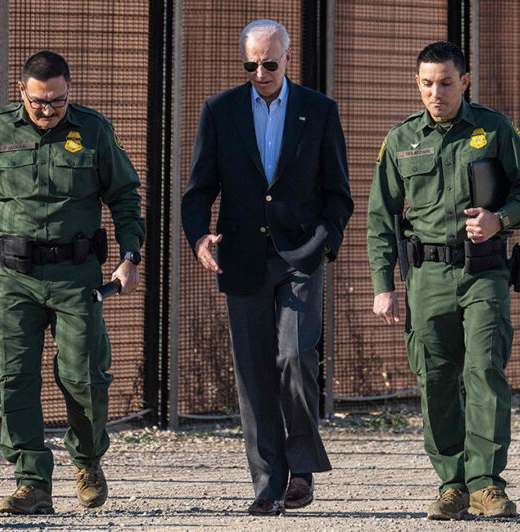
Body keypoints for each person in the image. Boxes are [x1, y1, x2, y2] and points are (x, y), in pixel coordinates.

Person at [0, 50, 145, 515]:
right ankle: (32, 481)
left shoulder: (93, 130)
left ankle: (88, 461)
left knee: (84, 375)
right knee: (15, 377)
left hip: (76, 277)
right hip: (14, 278)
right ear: (23, 93)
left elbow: (125, 197)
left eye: (57, 101)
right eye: (39, 102)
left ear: (68, 91)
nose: (48, 110)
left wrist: (130, 256)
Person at [366, 41, 520, 520]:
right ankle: (452, 485)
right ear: (418, 84)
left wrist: (501, 219)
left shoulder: (493, 129)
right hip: (426, 276)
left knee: (485, 368)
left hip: (484, 269)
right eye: (427, 83)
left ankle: (487, 484)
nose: (436, 92)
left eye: (446, 83)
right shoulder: (401, 140)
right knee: (437, 379)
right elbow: (380, 218)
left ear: (464, 81)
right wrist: (383, 285)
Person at [181, 19, 353, 515]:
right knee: (254, 372)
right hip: (241, 258)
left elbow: (339, 194)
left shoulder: (319, 111)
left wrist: (324, 243)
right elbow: (197, 194)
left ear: (287, 59)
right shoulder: (220, 111)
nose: (260, 72)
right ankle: (267, 482)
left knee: (296, 357)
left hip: (300, 256)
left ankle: (300, 469)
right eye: (251, 64)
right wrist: (199, 240)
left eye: (269, 63)